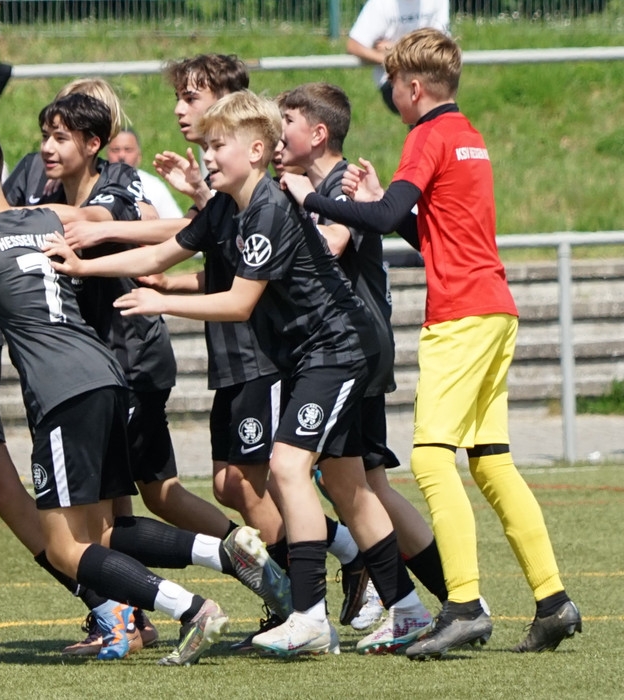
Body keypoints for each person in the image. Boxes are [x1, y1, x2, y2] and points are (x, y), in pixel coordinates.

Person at [45, 89, 433, 658]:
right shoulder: (228, 205)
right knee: (346, 482)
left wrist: (162, 303)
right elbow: (162, 254)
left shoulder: (268, 208)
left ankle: (309, 618)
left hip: (338, 348)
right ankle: (408, 610)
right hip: (312, 354)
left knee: (287, 468)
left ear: (255, 151)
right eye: (206, 146)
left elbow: (238, 303)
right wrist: (84, 266)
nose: (206, 155)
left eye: (217, 145)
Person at [0, 126, 235, 667]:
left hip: (62, 391)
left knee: (65, 546)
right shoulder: (45, 218)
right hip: (107, 375)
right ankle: (222, 552)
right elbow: (140, 226)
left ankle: (193, 608)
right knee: (104, 532)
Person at [285, 28, 582, 658]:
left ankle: (464, 606)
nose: (389, 94)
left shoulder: (427, 135)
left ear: (413, 87)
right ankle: (553, 600)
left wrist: (318, 200)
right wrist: (377, 202)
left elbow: (384, 218)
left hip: (460, 316)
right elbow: (429, 234)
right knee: (492, 462)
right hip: (495, 309)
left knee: (429, 461)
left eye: (392, 84)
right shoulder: (469, 134)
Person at [6, 88, 292, 654]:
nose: (49, 147)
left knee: (122, 512)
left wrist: (2, 218)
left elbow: (146, 226)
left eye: (61, 136)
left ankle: (241, 566)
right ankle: (145, 612)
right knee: (147, 499)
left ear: (94, 139)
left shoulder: (116, 183)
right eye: (46, 135)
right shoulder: (48, 187)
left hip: (129, 362)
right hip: (105, 365)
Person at [276, 83, 450, 632]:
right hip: (343, 349)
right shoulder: (312, 184)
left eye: (286, 123)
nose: (278, 135)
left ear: (317, 133)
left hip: (355, 350)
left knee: (353, 482)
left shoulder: (341, 183)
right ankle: (432, 601)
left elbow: (333, 241)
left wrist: (300, 201)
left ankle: (435, 598)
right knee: (358, 482)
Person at [346, 0, 449, 113]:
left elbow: (441, 45)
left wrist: (396, 49)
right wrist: (394, 61)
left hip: (432, 74)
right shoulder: (380, 4)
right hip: (394, 79)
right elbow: (354, 46)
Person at [107, 128, 183, 218]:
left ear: (139, 156)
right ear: (107, 154)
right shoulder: (97, 182)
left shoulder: (154, 187)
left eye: (128, 150)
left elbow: (175, 221)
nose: (121, 155)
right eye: (115, 150)